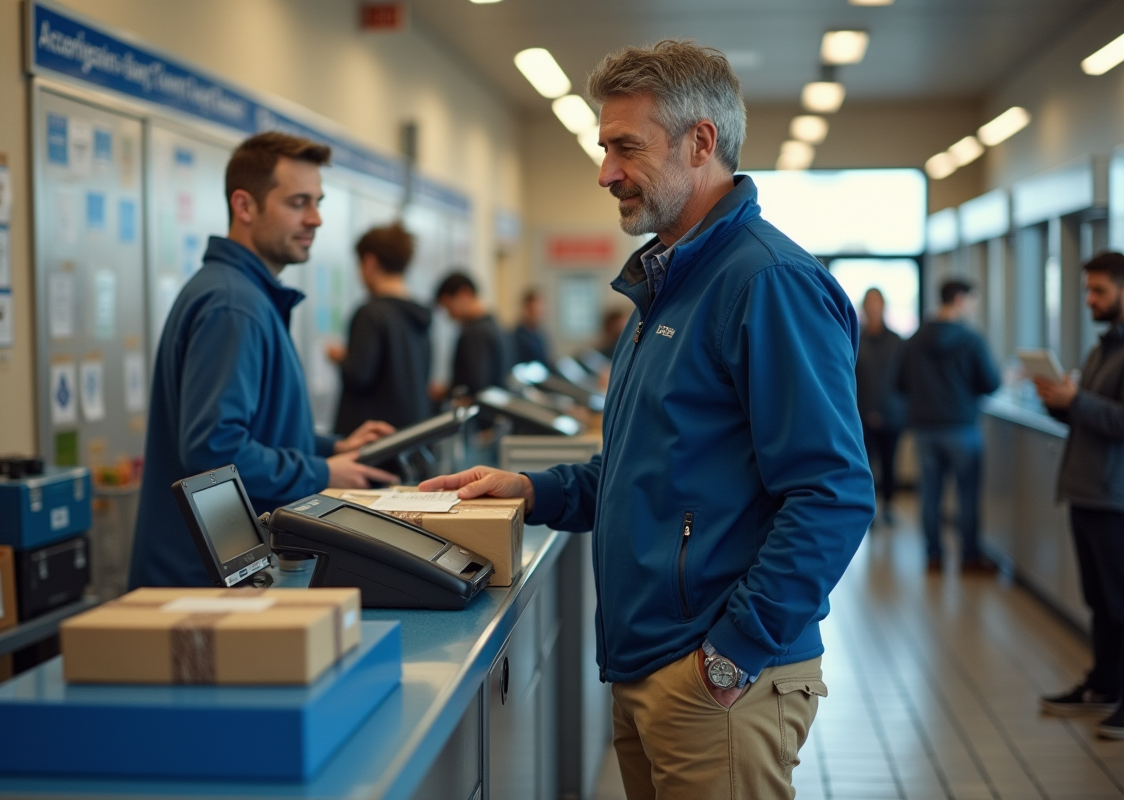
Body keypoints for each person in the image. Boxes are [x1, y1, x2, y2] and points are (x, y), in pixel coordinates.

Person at [420, 40, 874, 799]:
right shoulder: (666, 284)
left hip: (715, 677)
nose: (605, 172)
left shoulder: (767, 283)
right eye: (604, 149)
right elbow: (646, 465)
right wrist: (533, 490)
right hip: (651, 664)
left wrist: (732, 653)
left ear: (701, 142)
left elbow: (833, 492)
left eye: (625, 147)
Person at [130, 132, 397, 589]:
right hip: (203, 582)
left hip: (227, 572)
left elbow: (256, 429)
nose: (315, 218)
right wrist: (323, 472)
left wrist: (330, 449)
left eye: (317, 202)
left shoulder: (243, 295)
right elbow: (215, 451)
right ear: (245, 206)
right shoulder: (233, 304)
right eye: (298, 202)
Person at [1036, 252, 1124, 739]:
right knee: (1100, 599)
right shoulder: (1103, 348)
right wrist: (1060, 403)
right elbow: (1090, 416)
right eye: (1088, 290)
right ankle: (1103, 686)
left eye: (1099, 291)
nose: (1090, 300)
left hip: (1115, 497)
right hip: (1086, 491)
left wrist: (1078, 401)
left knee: (1120, 601)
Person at [897, 279, 1000, 574]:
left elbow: (899, 383)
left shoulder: (914, 339)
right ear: (959, 300)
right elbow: (991, 383)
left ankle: (933, 556)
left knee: (930, 494)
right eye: (972, 302)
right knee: (967, 495)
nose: (972, 309)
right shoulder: (971, 339)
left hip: (924, 429)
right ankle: (969, 557)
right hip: (962, 428)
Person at [328, 222, 433, 435]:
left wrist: (340, 358)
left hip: (374, 438)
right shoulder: (419, 315)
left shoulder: (370, 314)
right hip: (409, 435)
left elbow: (359, 375)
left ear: (370, 262)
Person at [856, 288, 906, 526]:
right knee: (866, 464)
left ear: (883, 306)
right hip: (862, 414)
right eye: (869, 303)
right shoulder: (855, 339)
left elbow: (903, 378)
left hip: (892, 413)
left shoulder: (897, 341)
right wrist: (867, 410)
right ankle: (869, 508)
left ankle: (888, 506)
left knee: (889, 463)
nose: (873, 307)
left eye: (877, 303)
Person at [434, 272, 507, 398]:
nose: (449, 316)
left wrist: (445, 392)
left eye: (448, 306)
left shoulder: (475, 334)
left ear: (464, 294)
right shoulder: (495, 325)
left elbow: (472, 388)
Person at [510, 288, 551, 367]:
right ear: (526, 309)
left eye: (540, 311)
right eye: (534, 311)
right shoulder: (517, 336)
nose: (538, 315)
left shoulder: (541, 335)